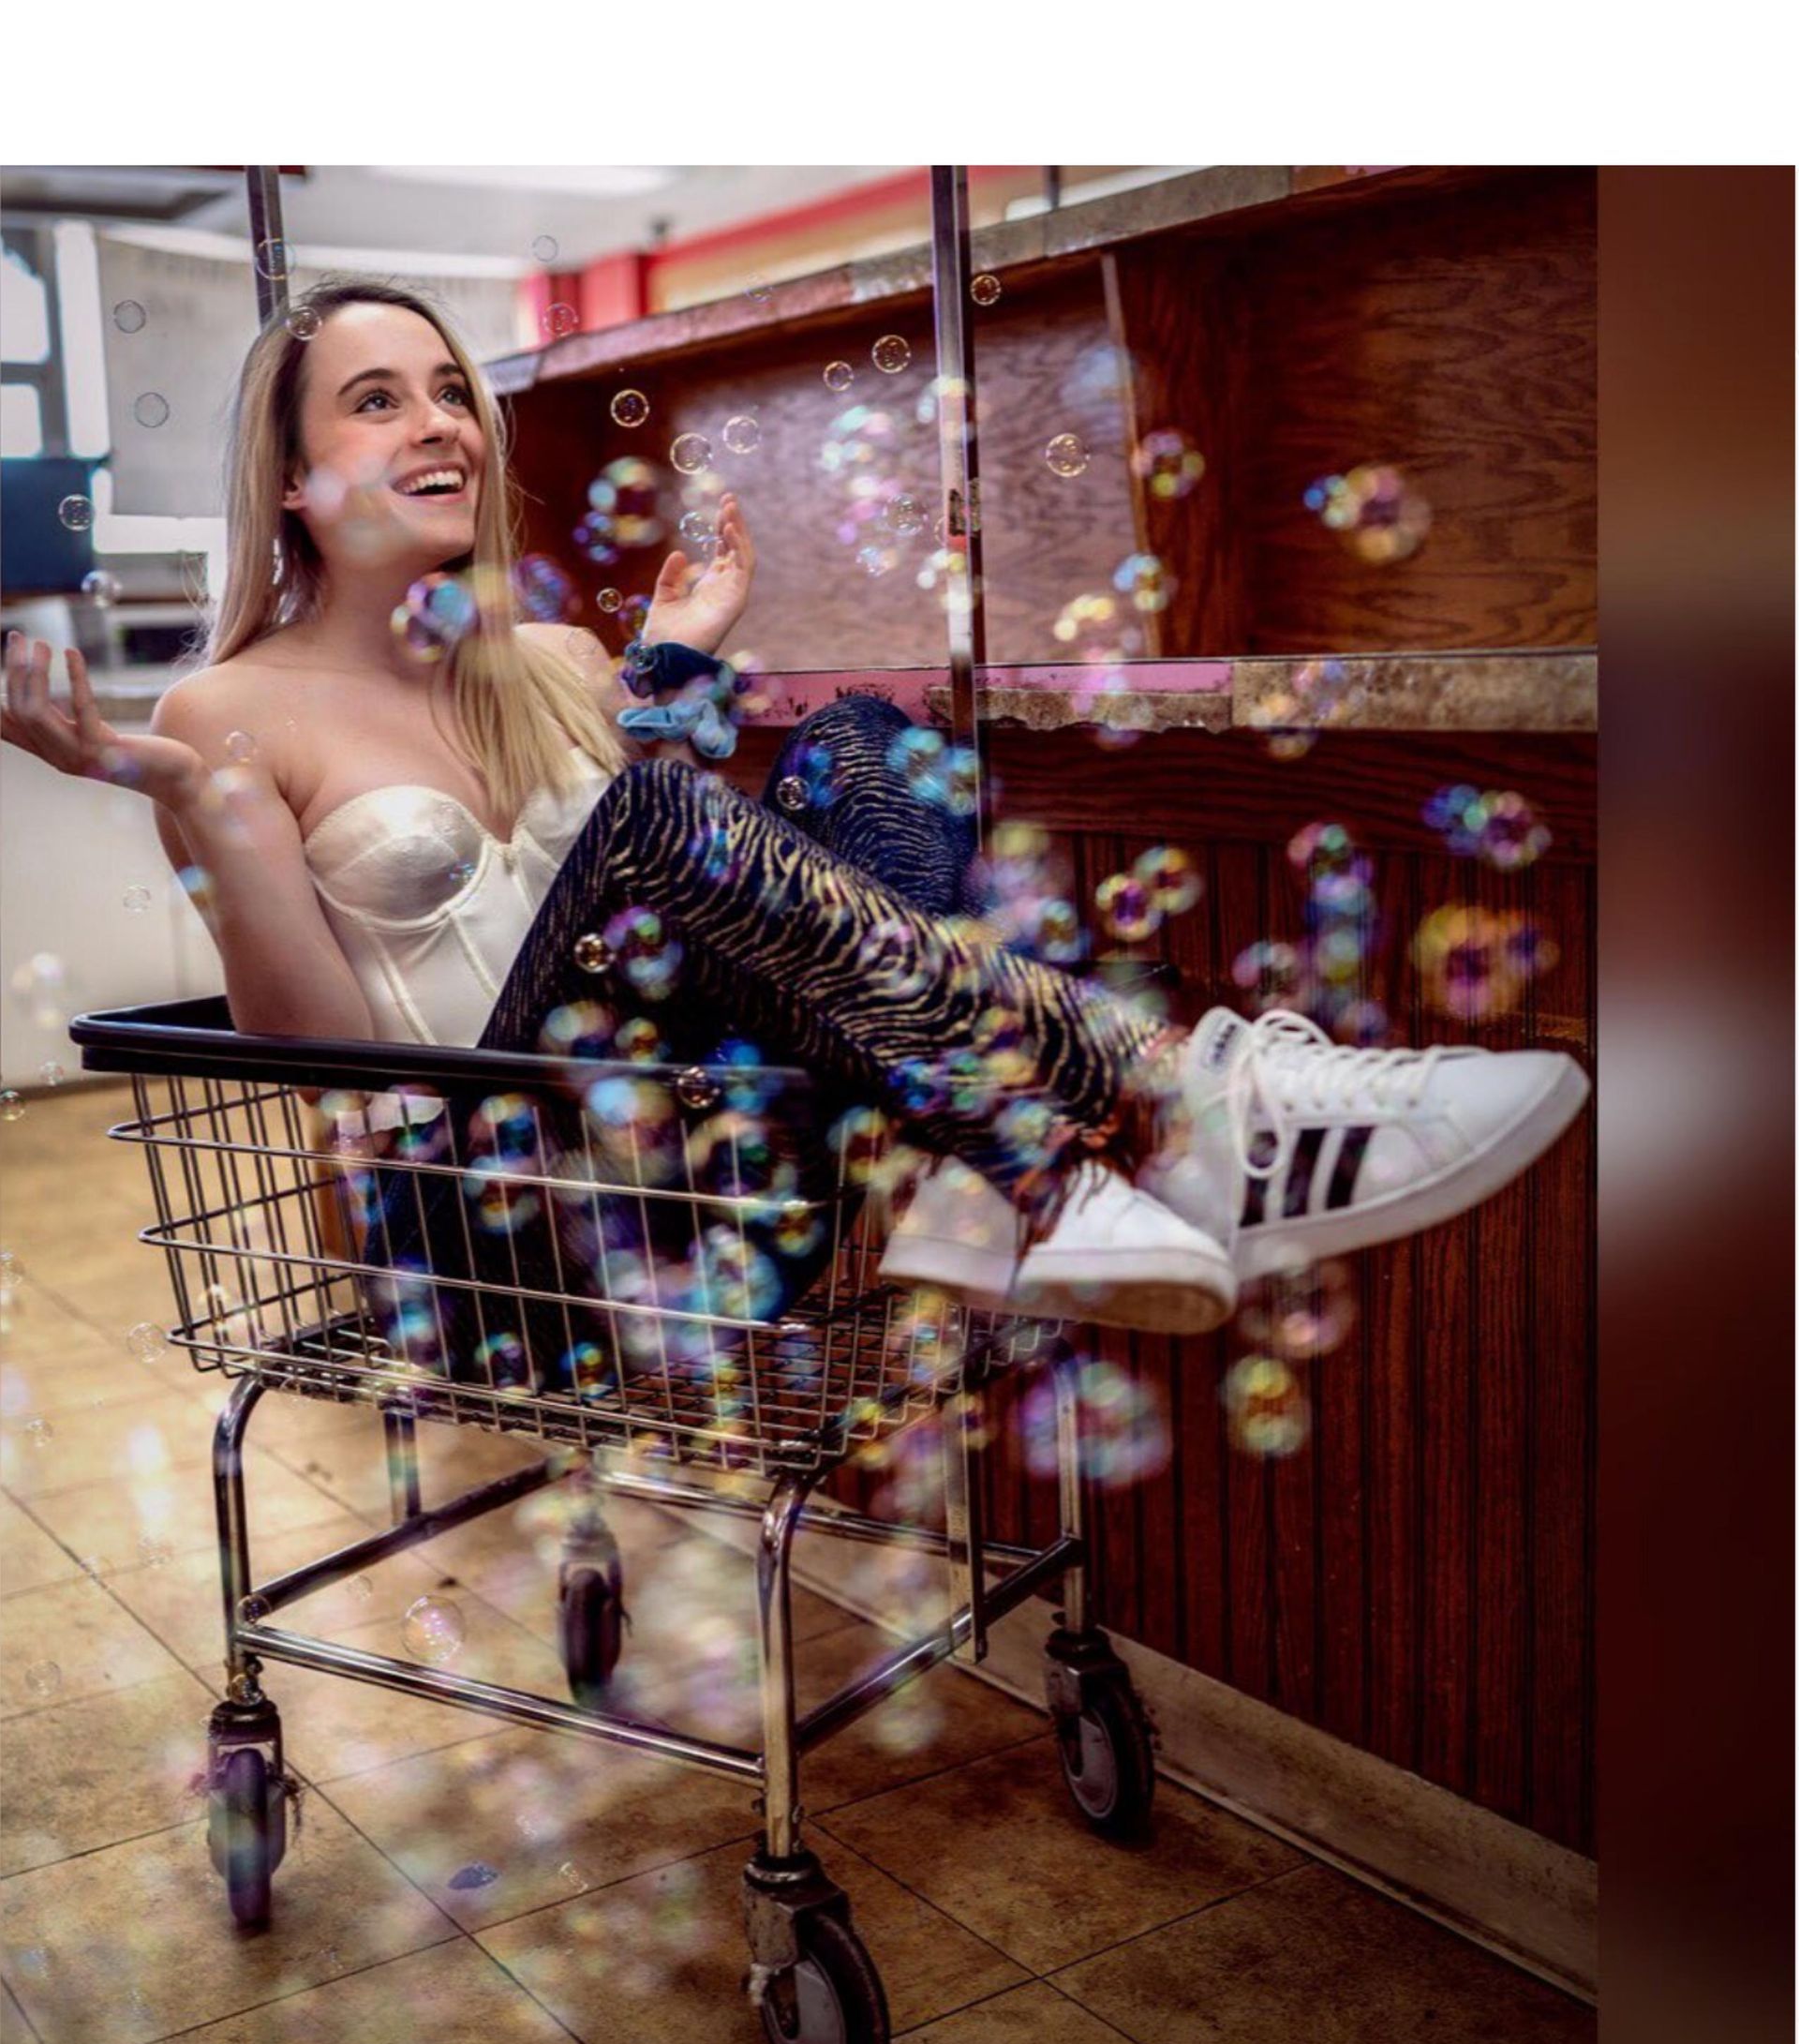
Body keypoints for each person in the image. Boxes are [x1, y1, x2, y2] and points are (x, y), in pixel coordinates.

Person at [1, 276, 1588, 1387]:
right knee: (669, 812)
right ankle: (1155, 1100)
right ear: (286, 478)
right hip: (502, 1229)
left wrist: (677, 665)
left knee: (853, 745)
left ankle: (998, 1155)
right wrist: (196, 802)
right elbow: (334, 1065)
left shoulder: (553, 660)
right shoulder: (228, 715)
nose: (444, 428)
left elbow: (691, 922)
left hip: (708, 1178)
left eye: (450, 393)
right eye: (374, 401)